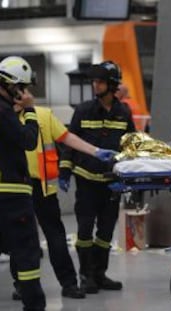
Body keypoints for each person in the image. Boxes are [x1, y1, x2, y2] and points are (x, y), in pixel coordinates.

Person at [10, 104, 118, 300]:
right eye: (20, 89)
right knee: (23, 239)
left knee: (52, 237)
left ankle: (66, 283)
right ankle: (27, 285)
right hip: (15, 188)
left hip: (39, 188)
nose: (24, 94)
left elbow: (66, 137)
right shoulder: (7, 115)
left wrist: (95, 151)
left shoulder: (42, 115)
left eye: (24, 89)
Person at [59, 61, 135, 294]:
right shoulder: (83, 110)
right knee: (84, 230)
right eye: (94, 81)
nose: (95, 85)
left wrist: (130, 175)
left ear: (111, 85)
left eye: (100, 81)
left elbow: (132, 144)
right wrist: (64, 171)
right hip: (86, 180)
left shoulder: (123, 113)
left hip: (112, 183)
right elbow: (69, 144)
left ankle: (100, 274)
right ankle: (86, 275)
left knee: (105, 232)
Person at [0, 56, 46, 310]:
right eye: (24, 88)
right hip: (12, 195)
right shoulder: (4, 111)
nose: (26, 93)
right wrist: (29, 111)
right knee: (27, 255)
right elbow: (28, 141)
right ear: (13, 86)